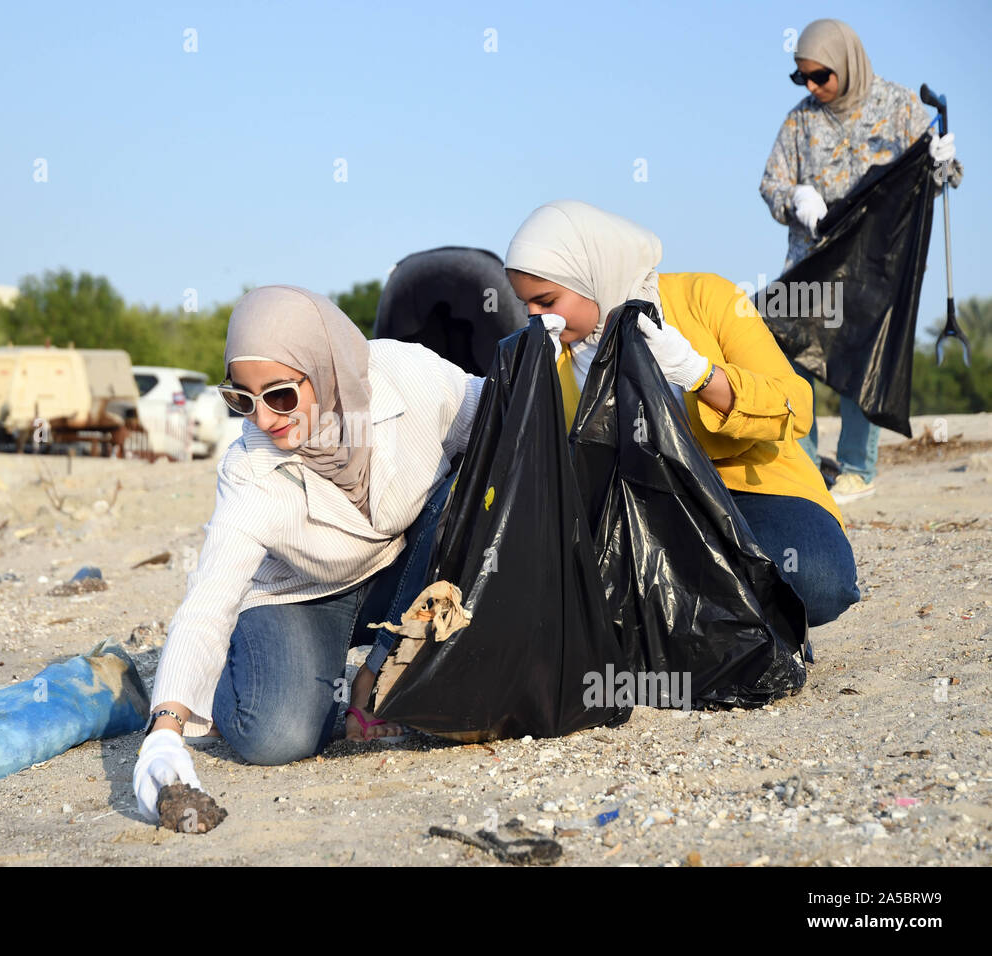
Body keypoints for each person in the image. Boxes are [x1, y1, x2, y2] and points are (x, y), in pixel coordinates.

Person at [132, 285, 483, 820]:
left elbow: (507, 421)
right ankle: (247, 671)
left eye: (278, 395)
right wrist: (165, 732)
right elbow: (209, 598)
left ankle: (377, 673)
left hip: (403, 572)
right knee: (274, 736)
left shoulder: (408, 378)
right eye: (241, 400)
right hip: (304, 594)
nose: (264, 420)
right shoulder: (250, 468)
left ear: (325, 367)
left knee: (466, 488)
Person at [505, 199, 859, 629]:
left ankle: (689, 618)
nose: (536, 319)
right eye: (527, 306)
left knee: (817, 579)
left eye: (546, 301)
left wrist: (700, 375)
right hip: (637, 507)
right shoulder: (553, 359)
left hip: (745, 488)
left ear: (592, 275)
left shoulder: (707, 298)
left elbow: (794, 407)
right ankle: (714, 620)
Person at [759, 18, 961, 504]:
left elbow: (942, 178)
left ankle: (856, 469)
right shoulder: (799, 120)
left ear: (846, 66)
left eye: (819, 76)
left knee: (862, 359)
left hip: (876, 266)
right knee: (789, 348)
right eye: (800, 77)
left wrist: (942, 161)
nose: (811, 86)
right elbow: (771, 184)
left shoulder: (897, 107)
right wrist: (795, 199)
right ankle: (802, 465)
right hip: (815, 261)